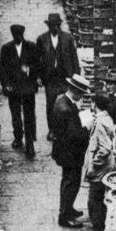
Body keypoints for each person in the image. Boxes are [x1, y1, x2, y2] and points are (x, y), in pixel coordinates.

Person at [52, 74, 92, 228]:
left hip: (64, 151)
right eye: (81, 93)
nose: (81, 97)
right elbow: (74, 135)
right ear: (75, 91)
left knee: (68, 181)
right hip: (70, 153)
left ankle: (68, 209)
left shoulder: (61, 100)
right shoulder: (67, 109)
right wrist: (87, 128)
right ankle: (64, 217)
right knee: (71, 183)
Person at [37, 12, 81, 141]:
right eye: (51, 25)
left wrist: (76, 78)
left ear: (59, 25)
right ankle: (52, 130)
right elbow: (37, 60)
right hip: (50, 78)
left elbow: (74, 58)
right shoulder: (42, 39)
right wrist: (38, 76)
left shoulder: (68, 38)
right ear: (49, 26)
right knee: (51, 104)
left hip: (65, 77)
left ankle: (66, 129)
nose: (54, 28)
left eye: (56, 25)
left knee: (66, 103)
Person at [0, 23, 39, 157]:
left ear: (22, 35)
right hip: (14, 88)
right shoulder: (6, 49)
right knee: (15, 115)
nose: (17, 37)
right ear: (12, 35)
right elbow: (2, 69)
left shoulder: (31, 47)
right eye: (15, 35)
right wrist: (6, 85)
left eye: (19, 35)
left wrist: (29, 69)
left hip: (28, 88)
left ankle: (30, 144)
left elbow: (38, 65)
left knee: (29, 116)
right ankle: (18, 137)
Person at [83, 91, 116, 231]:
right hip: (107, 167)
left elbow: (104, 148)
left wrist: (93, 164)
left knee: (94, 200)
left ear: (95, 104)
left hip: (100, 169)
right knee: (99, 198)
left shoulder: (100, 122)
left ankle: (97, 229)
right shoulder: (106, 118)